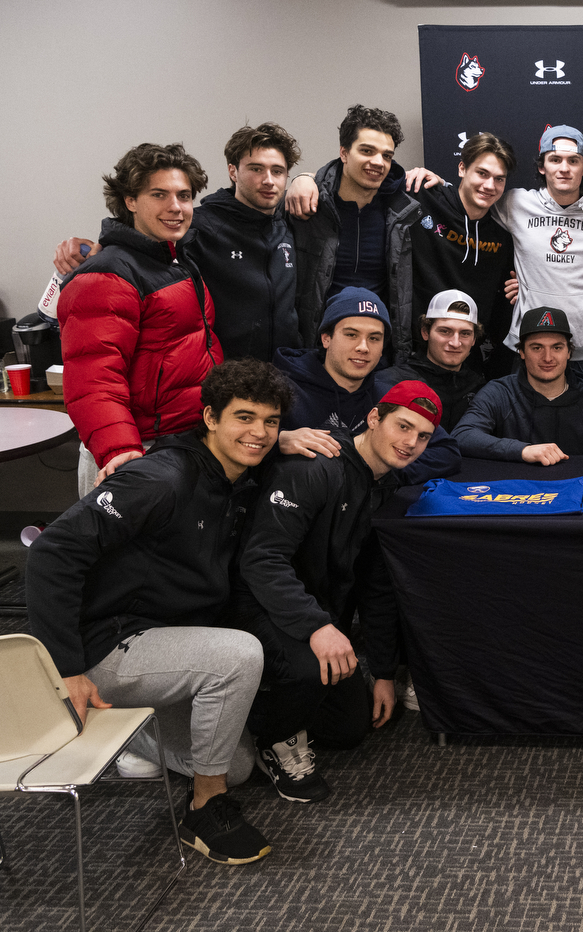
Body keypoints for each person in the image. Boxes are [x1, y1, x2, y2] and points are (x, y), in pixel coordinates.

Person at [26, 359, 292, 865]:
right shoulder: (161, 478)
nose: (259, 433)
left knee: (231, 764)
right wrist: (67, 669)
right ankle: (204, 808)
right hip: (106, 643)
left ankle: (128, 732)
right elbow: (51, 552)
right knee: (238, 656)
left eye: (271, 421)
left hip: (161, 639)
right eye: (244, 417)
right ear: (210, 417)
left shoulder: (236, 477)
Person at [235, 381, 441, 803]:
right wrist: (318, 628)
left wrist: (383, 671)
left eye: (423, 436)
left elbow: (376, 587)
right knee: (310, 669)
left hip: (313, 614)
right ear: (373, 418)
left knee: (351, 727)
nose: (410, 443)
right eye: (403, 426)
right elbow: (261, 561)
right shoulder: (316, 466)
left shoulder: (384, 486)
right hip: (253, 605)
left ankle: (260, 702)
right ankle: (268, 736)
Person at [55, 123, 304, 364]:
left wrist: (307, 178)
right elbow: (141, 242)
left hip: (287, 377)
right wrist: (86, 249)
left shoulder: (293, 220)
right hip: (227, 383)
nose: (269, 180)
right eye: (256, 169)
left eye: (277, 171)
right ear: (233, 171)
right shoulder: (197, 224)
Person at [57, 142, 221, 493]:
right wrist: (120, 450)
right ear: (130, 201)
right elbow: (93, 378)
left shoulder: (175, 260)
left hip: (180, 444)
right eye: (159, 195)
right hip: (136, 452)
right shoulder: (106, 274)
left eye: (184, 195)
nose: (175, 207)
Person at [493, 126, 583, 398]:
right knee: (526, 433)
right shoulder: (515, 203)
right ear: (542, 166)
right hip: (531, 345)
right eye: (555, 159)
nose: (564, 168)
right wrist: (432, 180)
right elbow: (468, 201)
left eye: (573, 161)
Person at [272, 287, 460, 483]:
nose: (363, 347)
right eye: (351, 335)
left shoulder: (389, 395)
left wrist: (379, 470)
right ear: (326, 338)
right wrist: (278, 442)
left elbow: (447, 452)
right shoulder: (280, 389)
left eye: (374, 338)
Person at [285, 104, 419, 361]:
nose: (378, 162)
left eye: (387, 155)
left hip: (378, 352)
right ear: (344, 153)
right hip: (316, 349)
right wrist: (300, 177)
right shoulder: (308, 204)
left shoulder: (402, 213)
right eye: (367, 151)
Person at [408, 132, 519, 380]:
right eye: (482, 173)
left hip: (471, 365)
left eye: (499, 179)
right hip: (413, 357)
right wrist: (304, 179)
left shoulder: (503, 235)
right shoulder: (421, 198)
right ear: (462, 169)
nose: (489, 186)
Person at [453, 307, 583, 462]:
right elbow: (462, 436)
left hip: (574, 486)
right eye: (537, 348)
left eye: (557, 347)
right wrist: (523, 450)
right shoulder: (499, 393)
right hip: (511, 487)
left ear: (569, 352)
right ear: (521, 352)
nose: (548, 357)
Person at [379, 289, 486, 431]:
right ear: (425, 332)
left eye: (465, 334)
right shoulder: (392, 381)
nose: (455, 343)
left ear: (474, 339)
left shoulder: (481, 389)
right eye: (445, 331)